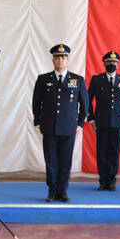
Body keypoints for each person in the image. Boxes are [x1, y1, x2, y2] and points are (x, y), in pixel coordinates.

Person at [32, 44, 89, 202]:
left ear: (68, 59)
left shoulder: (77, 80)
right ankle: (52, 190)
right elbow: (36, 102)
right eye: (57, 57)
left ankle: (62, 190)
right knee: (51, 161)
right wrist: (38, 121)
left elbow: (85, 104)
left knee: (65, 161)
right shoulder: (43, 79)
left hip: (69, 127)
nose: (60, 60)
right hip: (49, 127)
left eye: (64, 57)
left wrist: (80, 124)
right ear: (53, 60)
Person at [87, 51, 120, 191]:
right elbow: (88, 101)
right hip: (101, 122)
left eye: (114, 62)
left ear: (118, 64)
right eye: (109, 62)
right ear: (104, 63)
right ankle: (102, 181)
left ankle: (111, 181)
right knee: (101, 152)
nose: (111, 64)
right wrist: (91, 119)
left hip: (117, 123)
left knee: (114, 152)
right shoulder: (96, 80)